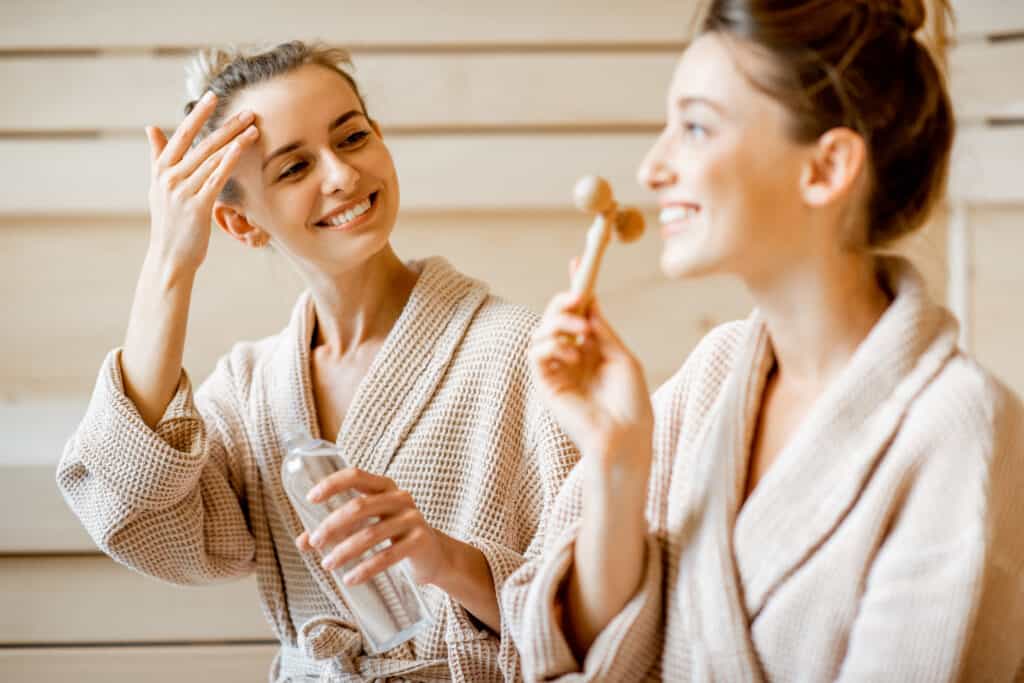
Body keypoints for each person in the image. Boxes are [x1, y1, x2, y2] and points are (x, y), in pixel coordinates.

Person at [505, 1, 1024, 680]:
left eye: (694, 127)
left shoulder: (959, 428)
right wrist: (617, 459)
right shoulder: (715, 372)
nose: (652, 168)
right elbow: (578, 649)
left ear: (827, 167)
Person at [57, 41, 578, 682]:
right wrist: (169, 262)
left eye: (352, 137)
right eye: (294, 167)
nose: (340, 175)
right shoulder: (250, 391)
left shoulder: (522, 353)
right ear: (238, 222)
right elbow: (133, 513)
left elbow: (602, 612)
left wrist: (442, 558)